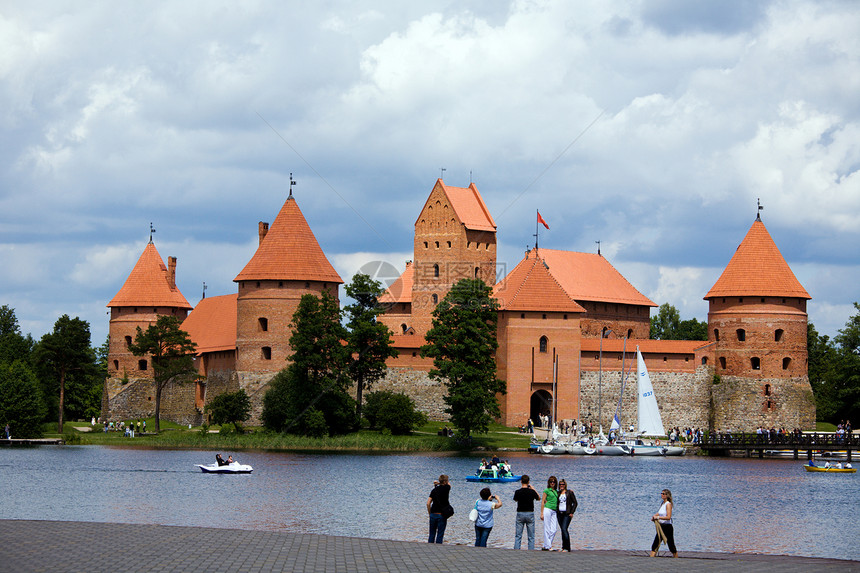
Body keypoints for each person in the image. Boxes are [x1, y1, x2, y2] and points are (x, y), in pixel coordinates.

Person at [513, 474, 541, 550]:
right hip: (530, 513)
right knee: (531, 536)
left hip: (520, 513)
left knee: (518, 535)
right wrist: (533, 489)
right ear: (528, 482)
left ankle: (516, 550)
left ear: (521, 481)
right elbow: (539, 498)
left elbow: (515, 500)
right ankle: (531, 551)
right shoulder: (532, 492)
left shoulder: (517, 492)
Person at [649, 489, 678, 558]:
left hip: (667, 527)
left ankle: (676, 559)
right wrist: (654, 516)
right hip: (661, 526)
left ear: (667, 495)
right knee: (655, 544)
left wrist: (658, 517)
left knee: (671, 545)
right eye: (661, 493)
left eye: (663, 494)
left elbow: (668, 517)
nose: (662, 495)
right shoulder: (663, 504)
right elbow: (659, 512)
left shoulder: (668, 504)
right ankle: (651, 559)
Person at [427, 474, 452, 543]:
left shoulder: (434, 490)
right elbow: (449, 485)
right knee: (440, 534)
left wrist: (430, 513)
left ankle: (429, 547)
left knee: (431, 534)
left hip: (433, 514)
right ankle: (438, 549)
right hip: (441, 514)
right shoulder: (446, 488)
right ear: (445, 482)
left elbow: (428, 503)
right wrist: (440, 483)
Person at [556, 479, 577, 552]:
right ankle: (563, 546)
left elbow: (575, 503)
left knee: (564, 529)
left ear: (565, 485)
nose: (561, 486)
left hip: (567, 514)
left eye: (563, 484)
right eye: (560, 484)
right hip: (559, 513)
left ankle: (567, 548)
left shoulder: (569, 493)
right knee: (562, 529)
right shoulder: (557, 493)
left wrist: (572, 512)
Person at [540, 476, 559, 550]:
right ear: (549, 483)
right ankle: (548, 546)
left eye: (554, 482)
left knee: (554, 529)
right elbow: (542, 501)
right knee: (547, 528)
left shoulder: (556, 491)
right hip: (547, 509)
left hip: (554, 511)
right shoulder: (546, 490)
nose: (552, 483)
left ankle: (546, 545)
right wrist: (541, 513)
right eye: (551, 482)